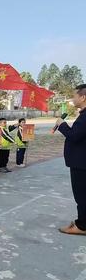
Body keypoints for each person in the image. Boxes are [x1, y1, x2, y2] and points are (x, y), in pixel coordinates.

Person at [57, 84, 86, 235]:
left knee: (81, 195)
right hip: (81, 162)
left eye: (75, 96)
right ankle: (82, 222)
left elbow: (74, 136)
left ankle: (82, 227)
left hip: (81, 164)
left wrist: (62, 125)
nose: (73, 99)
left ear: (83, 97)